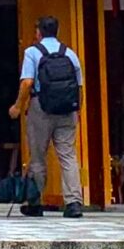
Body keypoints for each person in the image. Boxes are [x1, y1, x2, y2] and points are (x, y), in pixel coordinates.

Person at [10, 14, 85, 218]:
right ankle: (74, 202)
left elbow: (27, 83)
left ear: (38, 32)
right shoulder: (70, 54)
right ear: (57, 32)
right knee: (68, 155)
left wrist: (18, 106)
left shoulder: (32, 52)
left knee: (38, 157)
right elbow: (79, 87)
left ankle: (35, 202)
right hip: (67, 110)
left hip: (40, 108)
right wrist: (77, 110)